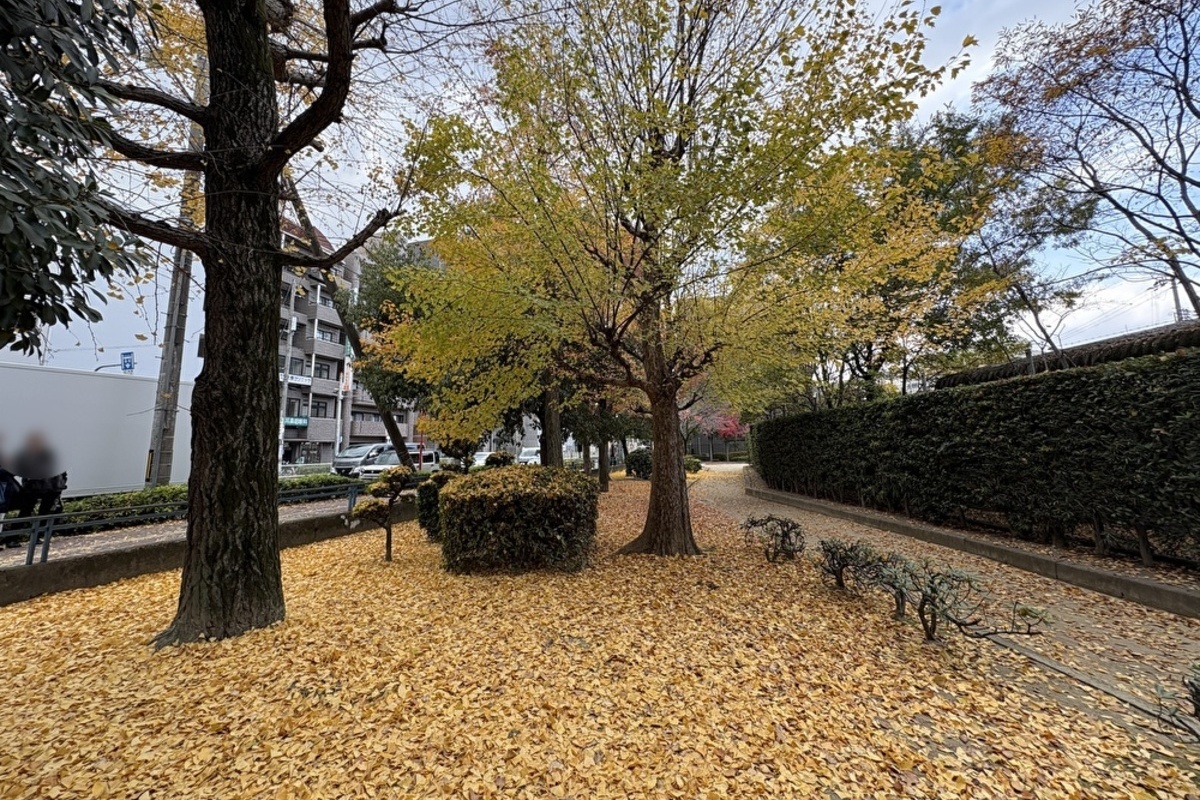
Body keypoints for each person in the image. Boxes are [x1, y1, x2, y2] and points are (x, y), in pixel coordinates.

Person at [14, 433, 67, 519]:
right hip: (36, 488)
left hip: (50, 488)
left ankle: (37, 531)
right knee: (27, 511)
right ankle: (18, 530)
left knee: (41, 513)